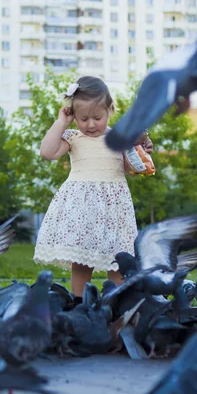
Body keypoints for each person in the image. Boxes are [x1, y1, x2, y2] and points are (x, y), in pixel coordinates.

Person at [33, 75, 153, 300]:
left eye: (97, 117)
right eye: (83, 118)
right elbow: (47, 152)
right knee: (81, 263)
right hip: (83, 212)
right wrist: (61, 122)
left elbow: (131, 168)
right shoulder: (73, 137)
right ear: (73, 116)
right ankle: (79, 311)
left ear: (109, 110)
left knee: (119, 264)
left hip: (114, 211)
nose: (90, 124)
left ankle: (117, 319)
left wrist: (140, 148)